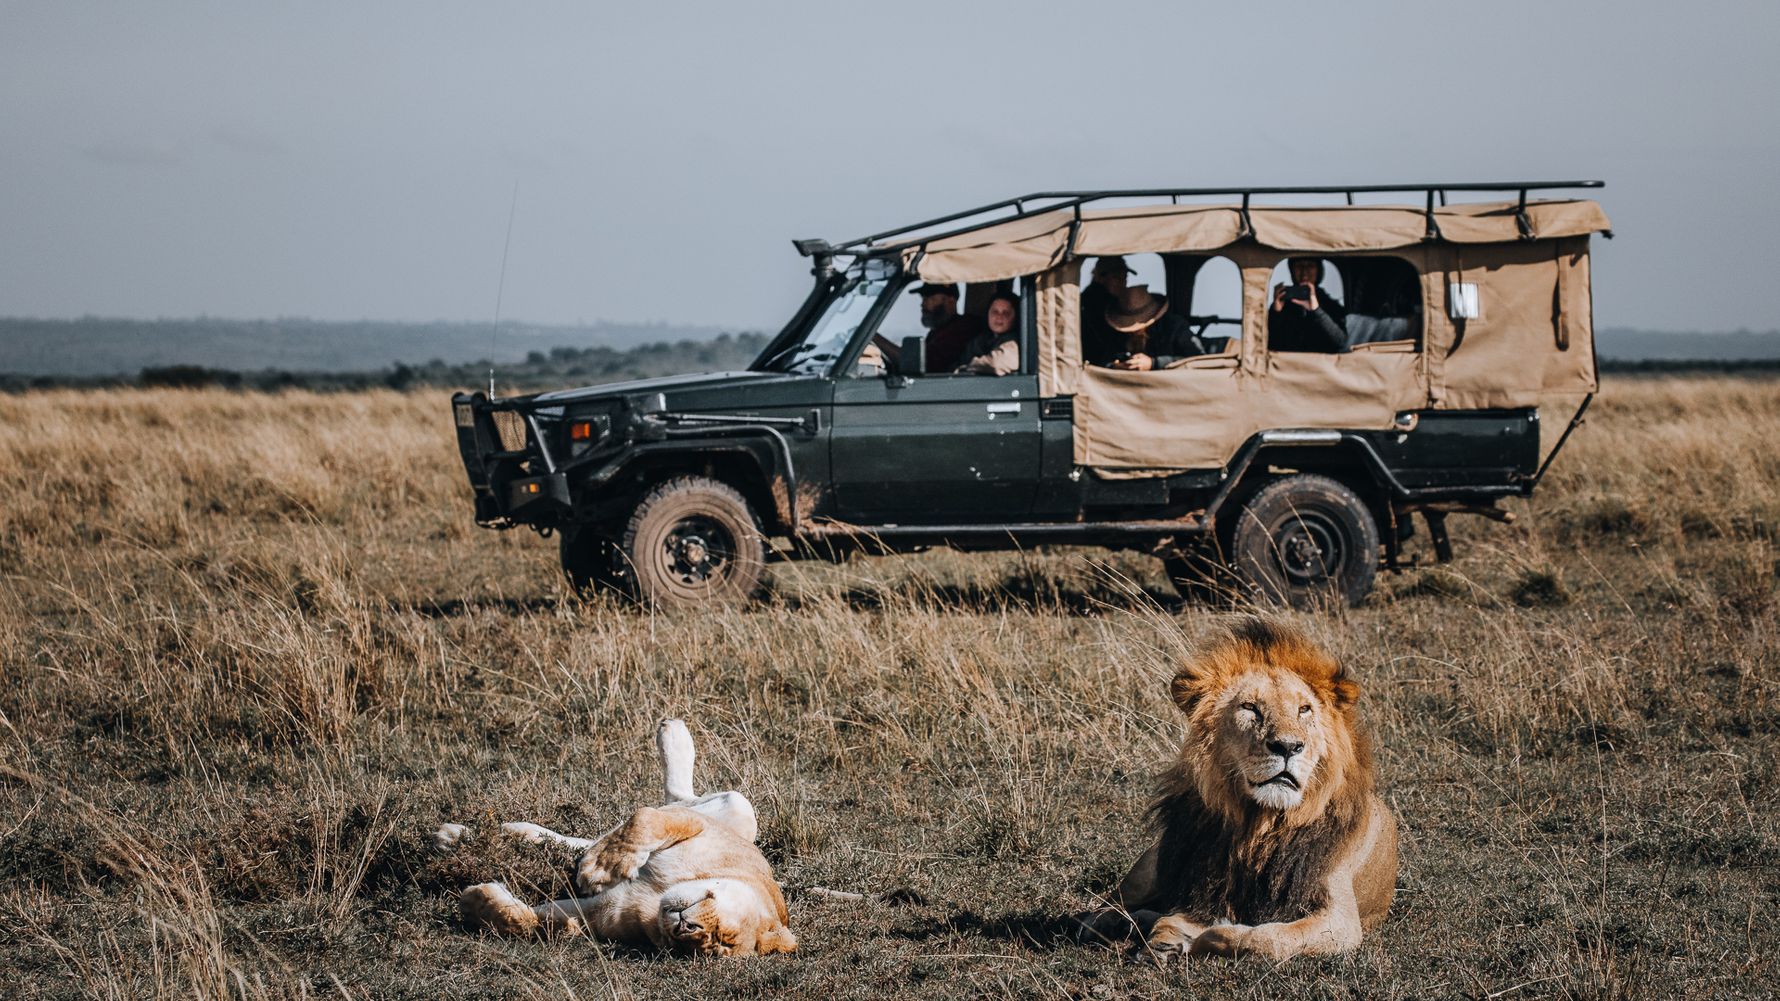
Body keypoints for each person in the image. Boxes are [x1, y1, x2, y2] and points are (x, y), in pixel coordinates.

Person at [1100, 285, 1206, 370]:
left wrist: (1154, 363)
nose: (1133, 330)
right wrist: (1116, 366)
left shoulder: (1174, 327)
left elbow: (1198, 360)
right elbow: (1104, 360)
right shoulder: (1118, 334)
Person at [1268, 257, 1347, 353]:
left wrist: (1316, 311)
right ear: (1292, 270)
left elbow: (1341, 342)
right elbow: (1268, 343)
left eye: (1310, 266)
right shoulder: (1283, 305)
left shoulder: (1331, 306)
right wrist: (1276, 313)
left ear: (1319, 270)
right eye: (1299, 266)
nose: (1304, 271)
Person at [908, 282, 985, 373]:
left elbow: (924, 363)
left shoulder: (963, 327)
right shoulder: (936, 332)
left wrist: (887, 347)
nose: (923, 304)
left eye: (930, 298)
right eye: (923, 298)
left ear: (951, 301)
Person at [1081, 256, 1134, 366]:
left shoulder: (1088, 299)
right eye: (1117, 277)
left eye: (1124, 277)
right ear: (1100, 278)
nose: (1123, 282)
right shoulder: (1098, 303)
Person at [955, 292, 1020, 375]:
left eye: (1006, 313)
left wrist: (969, 367)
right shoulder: (980, 341)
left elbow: (996, 363)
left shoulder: (1016, 342)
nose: (999, 316)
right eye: (995, 312)